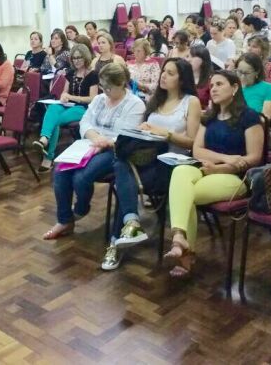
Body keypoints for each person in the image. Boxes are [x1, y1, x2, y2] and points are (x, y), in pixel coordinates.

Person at [103, 58, 202, 270]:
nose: (164, 76)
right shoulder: (156, 100)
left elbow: (193, 141)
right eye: (163, 71)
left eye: (171, 73)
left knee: (124, 184)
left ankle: (116, 242)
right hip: (148, 158)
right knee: (121, 163)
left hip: (174, 165)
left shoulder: (190, 101)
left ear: (182, 78)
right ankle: (131, 223)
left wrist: (164, 133)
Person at [165, 71, 264, 278]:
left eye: (220, 84)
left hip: (236, 177)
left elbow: (254, 157)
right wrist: (226, 158)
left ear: (235, 88)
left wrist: (221, 167)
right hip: (206, 169)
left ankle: (183, 248)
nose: (214, 89)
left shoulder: (249, 117)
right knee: (181, 171)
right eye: (212, 85)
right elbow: (197, 151)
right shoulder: (209, 117)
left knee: (185, 195)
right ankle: (180, 238)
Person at [43, 63, 145, 241]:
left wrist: (105, 142)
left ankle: (81, 208)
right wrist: (94, 137)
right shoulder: (99, 100)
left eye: (108, 87)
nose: (104, 90)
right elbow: (85, 122)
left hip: (113, 150)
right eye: (102, 86)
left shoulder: (135, 104)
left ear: (121, 83)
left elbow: (126, 135)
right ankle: (65, 220)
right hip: (90, 144)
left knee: (81, 177)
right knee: (60, 171)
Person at [33, 44, 98, 172]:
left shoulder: (93, 75)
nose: (76, 60)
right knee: (52, 109)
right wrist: (63, 96)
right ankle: (44, 138)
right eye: (74, 58)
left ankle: (48, 157)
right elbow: (64, 92)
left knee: (55, 121)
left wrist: (72, 97)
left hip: (83, 108)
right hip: (68, 104)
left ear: (85, 57)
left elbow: (93, 98)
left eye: (79, 57)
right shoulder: (71, 73)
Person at [235, 53, 271, 119]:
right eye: (239, 72)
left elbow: (265, 119)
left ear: (257, 72)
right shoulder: (232, 87)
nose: (242, 77)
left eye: (247, 73)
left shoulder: (268, 89)